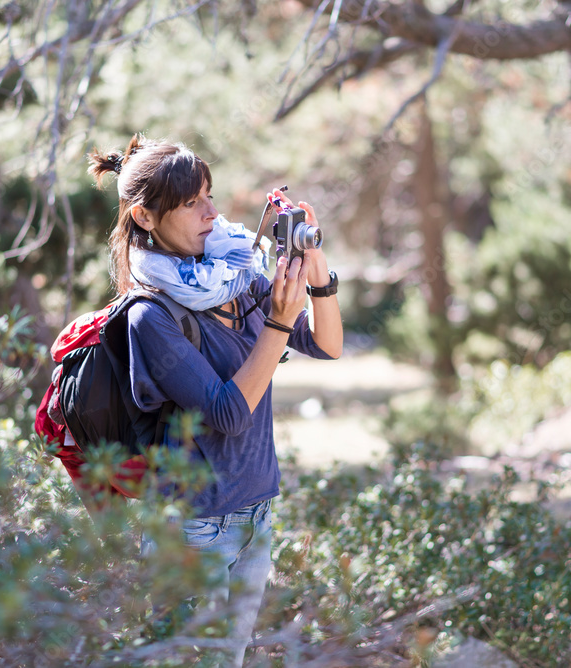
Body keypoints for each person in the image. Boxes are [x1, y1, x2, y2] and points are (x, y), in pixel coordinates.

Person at [87, 134, 343, 666]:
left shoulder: (234, 276)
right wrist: (276, 321)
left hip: (255, 511)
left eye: (209, 194)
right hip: (193, 529)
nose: (212, 212)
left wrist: (319, 281)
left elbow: (325, 344)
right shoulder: (150, 315)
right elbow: (227, 413)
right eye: (191, 202)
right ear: (145, 217)